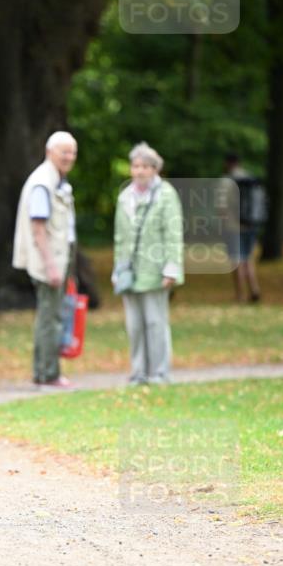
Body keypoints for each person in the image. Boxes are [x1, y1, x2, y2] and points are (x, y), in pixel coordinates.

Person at [112, 142, 183, 385]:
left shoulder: (166, 195)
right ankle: (138, 372)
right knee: (134, 325)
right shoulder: (125, 198)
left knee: (155, 322)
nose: (139, 171)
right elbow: (120, 238)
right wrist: (118, 269)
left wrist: (171, 268)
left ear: (155, 169)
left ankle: (160, 373)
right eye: (135, 166)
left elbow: (173, 234)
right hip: (130, 272)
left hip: (156, 270)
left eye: (145, 166)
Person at [13, 131, 78, 388]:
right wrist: (51, 265)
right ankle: (48, 373)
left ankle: (44, 372)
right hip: (49, 261)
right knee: (50, 317)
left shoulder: (56, 180)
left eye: (73, 152)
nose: (69, 157)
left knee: (49, 315)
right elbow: (38, 228)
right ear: (50, 151)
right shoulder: (43, 182)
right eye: (64, 151)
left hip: (57, 258)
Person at [222, 152, 263, 303]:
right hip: (251, 224)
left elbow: (222, 207)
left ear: (227, 163)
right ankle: (254, 290)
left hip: (233, 226)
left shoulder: (227, 181)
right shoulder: (250, 179)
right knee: (248, 258)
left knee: (236, 260)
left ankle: (240, 296)